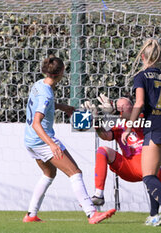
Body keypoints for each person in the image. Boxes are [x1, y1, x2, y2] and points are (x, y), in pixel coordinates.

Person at [23, 55, 116, 224]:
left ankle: (31, 215)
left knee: (49, 173)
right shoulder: (46, 95)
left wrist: (61, 107)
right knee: (75, 173)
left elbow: (40, 105)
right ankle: (91, 213)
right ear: (62, 72)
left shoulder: (38, 85)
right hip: (42, 140)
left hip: (29, 140)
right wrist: (51, 144)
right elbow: (37, 123)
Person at [121, 39, 161, 227]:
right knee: (154, 172)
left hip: (154, 124)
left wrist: (129, 127)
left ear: (143, 57)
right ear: (160, 58)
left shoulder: (141, 76)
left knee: (147, 175)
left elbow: (140, 103)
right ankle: (154, 214)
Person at [82, 95, 161, 226]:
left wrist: (114, 112)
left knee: (158, 186)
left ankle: (155, 213)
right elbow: (105, 135)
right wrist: (97, 118)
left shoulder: (144, 118)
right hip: (128, 166)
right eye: (118, 105)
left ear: (133, 107)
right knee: (102, 150)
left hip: (146, 162)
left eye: (123, 105)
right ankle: (99, 195)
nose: (120, 107)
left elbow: (134, 118)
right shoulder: (118, 126)